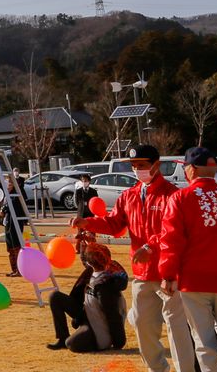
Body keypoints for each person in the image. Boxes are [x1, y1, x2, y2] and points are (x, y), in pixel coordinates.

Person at [74, 143, 196, 372]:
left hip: (170, 274)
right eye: (133, 166)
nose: (137, 170)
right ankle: (157, 369)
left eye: (141, 165)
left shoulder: (172, 195)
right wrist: (87, 222)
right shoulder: (128, 196)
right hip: (142, 275)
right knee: (141, 324)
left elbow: (176, 232)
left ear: (156, 165)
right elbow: (114, 223)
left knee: (176, 327)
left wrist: (150, 247)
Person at [158, 147, 217, 372]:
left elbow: (171, 240)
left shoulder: (180, 198)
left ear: (192, 169)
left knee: (203, 338)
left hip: (194, 279)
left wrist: (168, 275)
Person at [46, 236, 128, 353]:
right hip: (88, 312)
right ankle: (62, 337)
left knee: (72, 344)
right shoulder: (96, 271)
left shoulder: (104, 285)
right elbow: (88, 258)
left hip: (97, 324)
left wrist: (118, 342)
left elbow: (112, 315)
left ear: (90, 263)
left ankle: (77, 337)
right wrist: (87, 244)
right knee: (55, 297)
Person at [0, 174, 27, 277]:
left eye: (10, 183)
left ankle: (19, 270)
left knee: (16, 246)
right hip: (8, 222)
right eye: (7, 183)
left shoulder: (17, 194)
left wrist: (5, 209)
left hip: (15, 223)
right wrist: (2, 210)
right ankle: (14, 269)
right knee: (10, 247)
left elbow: (14, 206)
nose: (8, 185)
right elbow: (5, 206)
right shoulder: (7, 195)